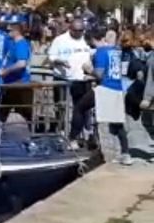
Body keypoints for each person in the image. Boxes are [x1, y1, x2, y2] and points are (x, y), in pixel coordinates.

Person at [84, 30, 130, 164]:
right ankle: (125, 153)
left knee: (90, 113)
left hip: (106, 88)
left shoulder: (102, 52)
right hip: (118, 88)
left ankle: (105, 153)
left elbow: (99, 74)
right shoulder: (117, 51)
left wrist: (88, 70)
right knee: (117, 123)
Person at [51, 19, 96, 148]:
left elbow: (92, 53)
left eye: (81, 30)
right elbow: (51, 57)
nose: (78, 33)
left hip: (81, 79)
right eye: (76, 31)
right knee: (61, 107)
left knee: (80, 108)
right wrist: (61, 61)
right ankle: (60, 131)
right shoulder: (59, 40)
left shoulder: (85, 40)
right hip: (63, 78)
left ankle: (78, 135)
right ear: (70, 29)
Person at [0, 20, 33, 126]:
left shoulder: (21, 44)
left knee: (25, 112)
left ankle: (35, 134)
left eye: (9, 30)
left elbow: (22, 63)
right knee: (4, 109)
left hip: (19, 83)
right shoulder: (14, 44)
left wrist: (5, 71)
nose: (7, 32)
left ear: (16, 31)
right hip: (11, 83)